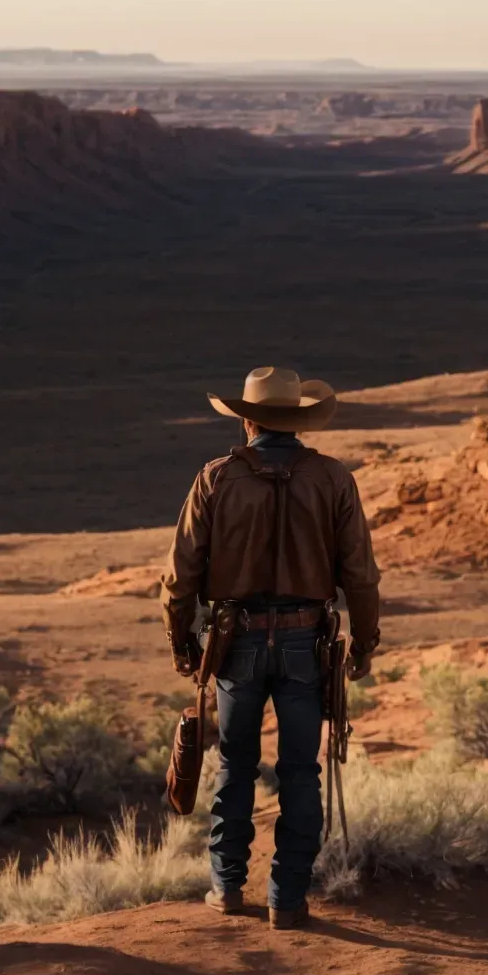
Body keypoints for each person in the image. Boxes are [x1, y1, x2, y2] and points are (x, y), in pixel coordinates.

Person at [163, 366, 382, 930]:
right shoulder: (333, 478)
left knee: (235, 764)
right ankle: (287, 899)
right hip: (306, 644)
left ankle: (228, 887)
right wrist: (364, 643)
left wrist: (183, 641)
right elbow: (360, 574)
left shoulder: (215, 478)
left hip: (235, 643)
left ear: (246, 418)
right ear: (299, 420)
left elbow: (180, 574)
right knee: (300, 772)